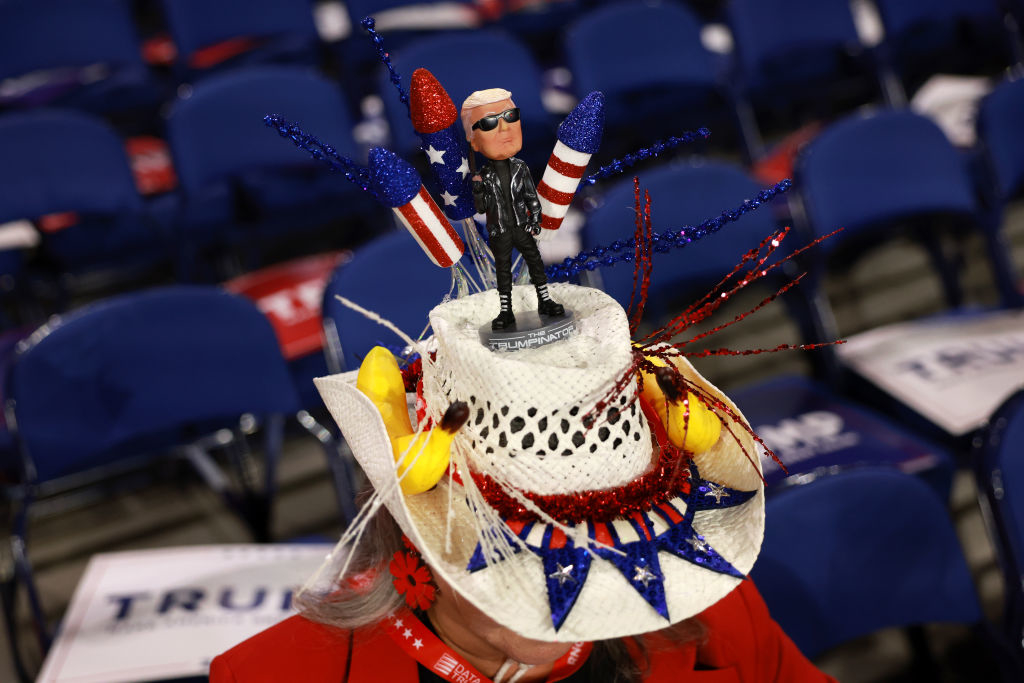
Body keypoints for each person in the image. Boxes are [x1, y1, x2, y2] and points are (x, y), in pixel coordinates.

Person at [211, 282, 838, 682]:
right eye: (527, 555)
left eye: (607, 553)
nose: (572, 600)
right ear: (412, 532)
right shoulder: (267, 675)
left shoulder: (719, 615)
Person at [461, 88, 564, 331]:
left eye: (510, 116)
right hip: (500, 230)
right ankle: (506, 311)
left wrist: (536, 218)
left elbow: (531, 197)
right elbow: (481, 207)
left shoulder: (520, 167)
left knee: (535, 262)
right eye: (488, 123)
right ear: (473, 140)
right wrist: (477, 190)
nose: (504, 128)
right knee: (503, 271)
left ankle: (545, 300)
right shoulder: (483, 176)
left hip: (522, 225)